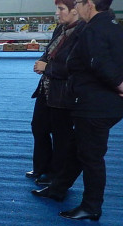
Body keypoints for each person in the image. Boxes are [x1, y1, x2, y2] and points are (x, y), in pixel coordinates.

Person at [32, 0, 123, 221]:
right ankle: (57, 189)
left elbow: (99, 63)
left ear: (88, 4)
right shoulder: (112, 25)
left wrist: (120, 85)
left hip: (95, 104)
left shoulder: (93, 29)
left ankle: (92, 206)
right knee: (76, 149)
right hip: (97, 102)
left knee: (91, 157)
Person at [28, 0, 85, 185]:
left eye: (61, 9)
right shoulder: (60, 28)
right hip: (46, 89)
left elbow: (76, 66)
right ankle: (41, 167)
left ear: (75, 11)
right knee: (39, 127)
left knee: (62, 136)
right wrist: (42, 62)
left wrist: (48, 67)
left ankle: (56, 174)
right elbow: (50, 52)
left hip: (64, 94)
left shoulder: (83, 33)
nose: (57, 13)